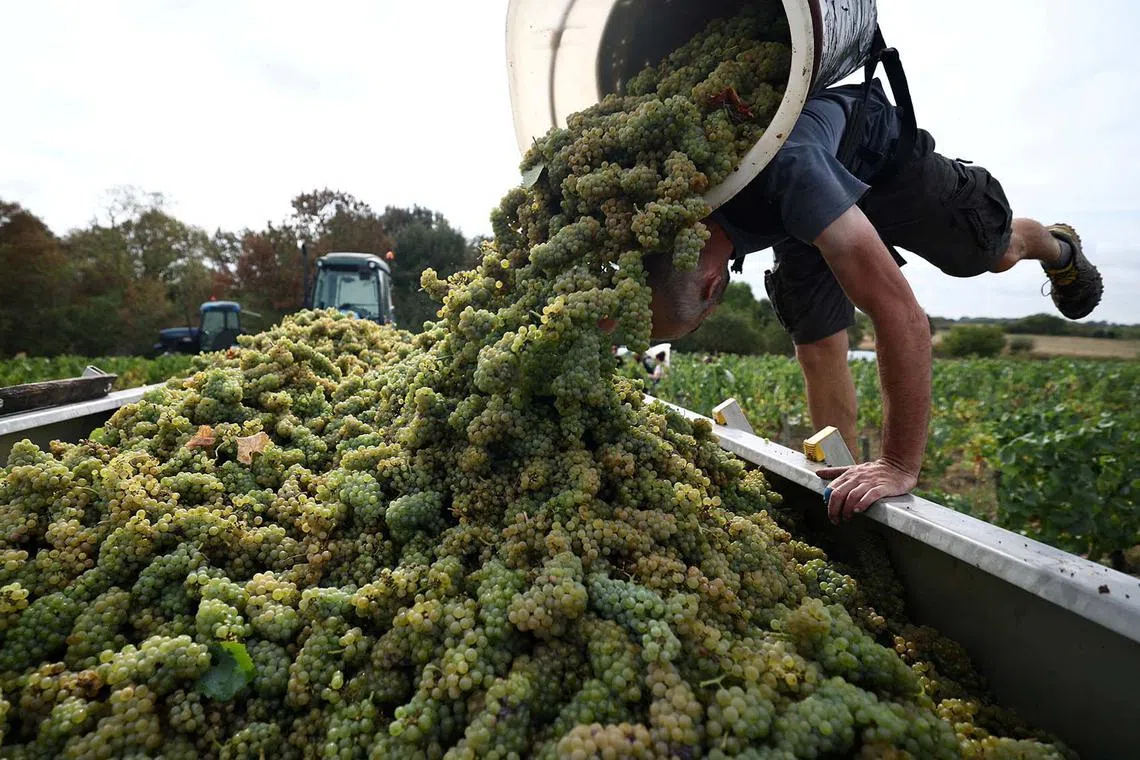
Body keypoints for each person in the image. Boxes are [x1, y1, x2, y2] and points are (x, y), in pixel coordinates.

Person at [640, 78, 1104, 526]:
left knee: (994, 253)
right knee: (815, 339)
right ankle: (842, 487)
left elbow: (902, 316)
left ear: (710, 289)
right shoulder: (658, 203)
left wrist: (899, 464)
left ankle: (1059, 247)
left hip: (875, 159)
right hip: (790, 202)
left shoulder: (795, 176)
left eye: (701, 320)